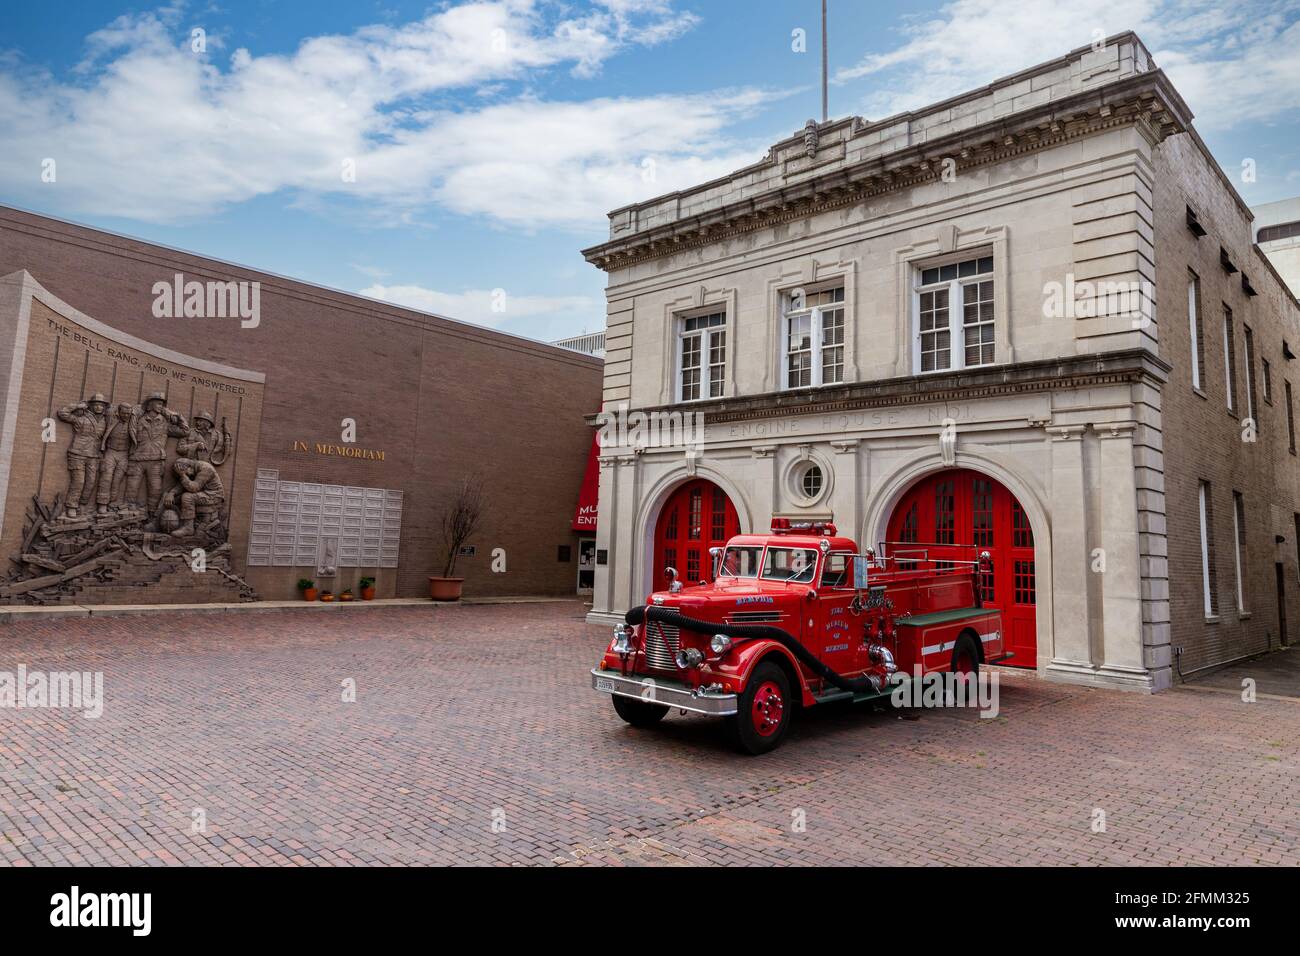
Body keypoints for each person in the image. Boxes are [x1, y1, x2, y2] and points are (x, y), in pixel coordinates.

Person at [125, 392, 188, 511]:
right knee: (132, 486)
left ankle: (152, 513)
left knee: (155, 488)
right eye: (159, 404)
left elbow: (185, 431)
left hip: (156, 460)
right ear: (151, 404)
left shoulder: (165, 423)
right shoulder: (138, 420)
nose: (161, 406)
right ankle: (129, 509)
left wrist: (178, 415)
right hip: (137, 459)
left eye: (162, 404)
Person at [56, 393, 109, 518]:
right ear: (90, 406)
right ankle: (71, 506)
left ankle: (83, 504)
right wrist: (77, 406)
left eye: (101, 405)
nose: (98, 407)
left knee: (90, 482)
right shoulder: (81, 416)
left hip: (94, 456)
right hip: (77, 453)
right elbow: (62, 414)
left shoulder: (105, 420)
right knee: (79, 481)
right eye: (95, 405)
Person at [164, 457, 225, 538]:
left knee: (187, 497)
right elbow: (181, 485)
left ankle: (188, 528)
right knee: (166, 495)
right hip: (203, 493)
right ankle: (154, 522)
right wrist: (171, 493)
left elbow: (194, 488)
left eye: (186, 473)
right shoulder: (193, 470)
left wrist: (182, 475)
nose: (187, 475)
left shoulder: (206, 468)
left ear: (189, 467)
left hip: (213, 495)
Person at [96, 403, 134, 514]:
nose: (126, 415)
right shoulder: (111, 418)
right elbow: (108, 408)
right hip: (110, 452)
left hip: (124, 454)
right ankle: (102, 504)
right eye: (124, 413)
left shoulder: (133, 421)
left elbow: (139, 410)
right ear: (119, 412)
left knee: (117, 480)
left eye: (128, 413)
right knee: (106, 477)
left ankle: (111, 503)